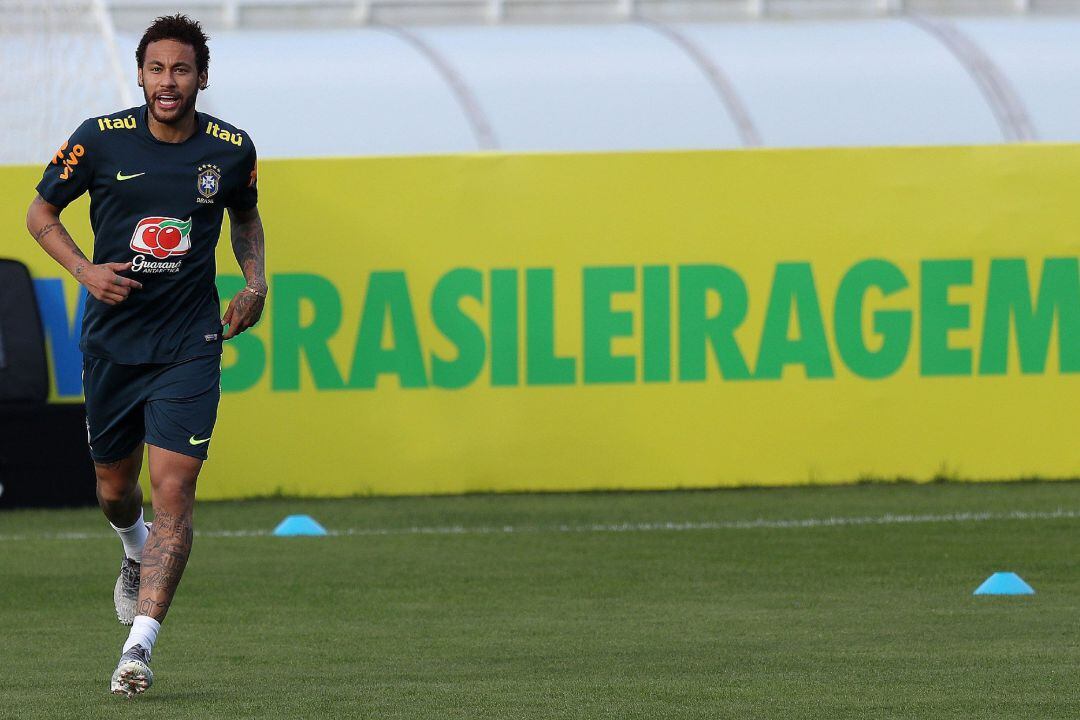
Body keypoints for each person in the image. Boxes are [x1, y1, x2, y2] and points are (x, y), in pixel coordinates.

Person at [25, 14, 266, 698]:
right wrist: (84, 270)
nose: (169, 82)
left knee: (175, 489)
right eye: (157, 69)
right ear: (140, 74)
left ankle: (139, 648)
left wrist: (254, 282)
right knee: (113, 491)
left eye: (181, 70)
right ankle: (133, 549)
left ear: (201, 78)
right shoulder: (98, 140)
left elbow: (245, 217)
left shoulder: (230, 150)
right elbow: (40, 214)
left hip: (190, 342)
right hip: (112, 344)